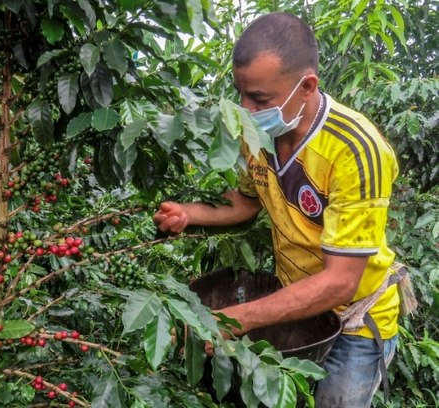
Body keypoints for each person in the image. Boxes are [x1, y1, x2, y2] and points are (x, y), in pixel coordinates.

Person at [153, 12, 400, 407]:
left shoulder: (355, 150)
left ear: (306, 87)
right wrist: (189, 213)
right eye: (242, 94)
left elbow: (340, 282)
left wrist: (234, 319)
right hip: (297, 303)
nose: (246, 110)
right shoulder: (260, 133)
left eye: (261, 99)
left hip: (356, 324)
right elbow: (249, 200)